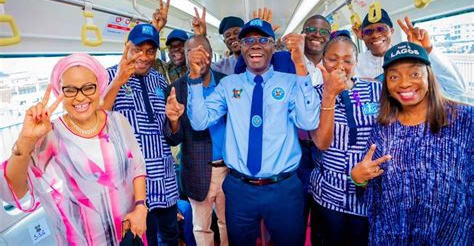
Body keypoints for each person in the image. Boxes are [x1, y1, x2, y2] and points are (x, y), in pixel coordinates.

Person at [186, 18, 320, 245]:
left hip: (284, 188)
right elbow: (200, 122)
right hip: (240, 189)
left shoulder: (290, 81)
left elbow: (308, 121)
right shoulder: (229, 85)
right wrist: (195, 78)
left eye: (262, 39)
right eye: (248, 40)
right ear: (241, 47)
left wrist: (300, 66)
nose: (255, 44)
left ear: (273, 46)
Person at [0, 53, 147, 245]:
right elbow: (12, 191)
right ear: (59, 92)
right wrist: (26, 139)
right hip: (83, 240)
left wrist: (141, 206)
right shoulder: (49, 136)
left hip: (129, 231)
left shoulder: (118, 121)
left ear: (99, 86)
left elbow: (137, 166)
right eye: (70, 90)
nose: (80, 97)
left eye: (88, 88)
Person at [351, 41, 472, 245]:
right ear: (387, 86)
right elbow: (374, 190)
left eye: (415, 74)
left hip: (450, 234)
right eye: (394, 76)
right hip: (394, 235)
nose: (404, 83)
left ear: (429, 77)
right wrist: (358, 178)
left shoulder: (465, 121)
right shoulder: (383, 129)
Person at [103, 23, 179, 246]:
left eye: (150, 51)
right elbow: (99, 120)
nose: (144, 57)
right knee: (145, 241)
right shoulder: (108, 77)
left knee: (171, 236)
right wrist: (118, 81)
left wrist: (174, 121)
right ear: (127, 47)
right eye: (137, 49)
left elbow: (170, 133)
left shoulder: (159, 80)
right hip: (134, 184)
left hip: (165, 179)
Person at [307, 32, 383, 245]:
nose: (340, 66)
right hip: (329, 191)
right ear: (323, 60)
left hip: (366, 191)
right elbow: (321, 143)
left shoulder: (375, 90)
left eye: (348, 60)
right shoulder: (313, 95)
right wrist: (329, 94)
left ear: (356, 63)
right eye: (332, 59)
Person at [164, 34, 228, 246]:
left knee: (228, 223)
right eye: (192, 52)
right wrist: (174, 121)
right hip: (197, 170)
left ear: (210, 55)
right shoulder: (175, 89)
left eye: (203, 50)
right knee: (201, 227)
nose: (199, 56)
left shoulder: (226, 84)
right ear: (185, 56)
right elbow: (174, 139)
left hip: (229, 169)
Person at [353, 10, 466, 100]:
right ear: (362, 36)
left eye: (381, 29)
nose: (375, 35)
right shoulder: (354, 63)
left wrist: (427, 49)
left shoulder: (410, 57)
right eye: (368, 31)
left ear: (391, 31)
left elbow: (456, 89)